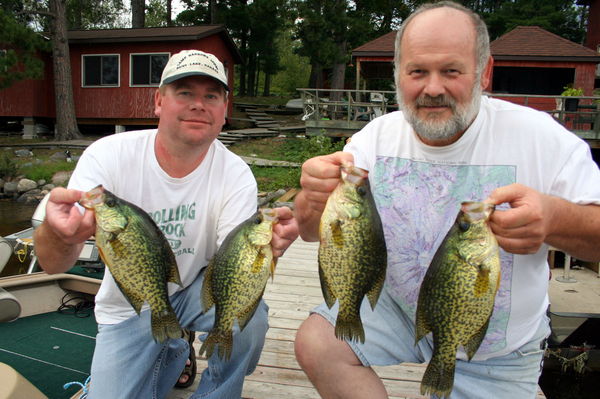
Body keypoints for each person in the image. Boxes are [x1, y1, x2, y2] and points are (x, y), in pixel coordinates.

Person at [293, 2, 600, 398]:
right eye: (417, 71)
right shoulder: (375, 137)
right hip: (398, 309)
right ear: (398, 76)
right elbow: (308, 230)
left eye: (451, 71)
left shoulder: (543, 139)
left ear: (484, 73)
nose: (432, 88)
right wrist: (312, 196)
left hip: (495, 348)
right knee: (318, 344)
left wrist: (556, 219)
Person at [33, 49, 298, 399]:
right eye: (185, 92)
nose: (198, 104)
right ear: (159, 101)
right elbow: (53, 264)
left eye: (211, 96)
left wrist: (267, 251)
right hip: (133, 299)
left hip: (196, 287)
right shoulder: (107, 156)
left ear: (223, 111)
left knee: (249, 320)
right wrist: (60, 234)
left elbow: (233, 268)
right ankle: (174, 346)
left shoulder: (236, 175)